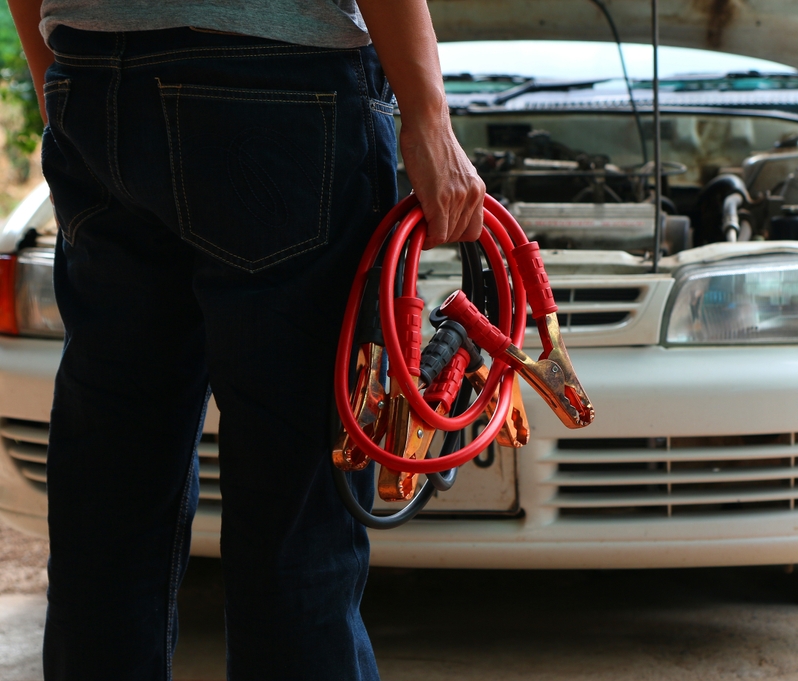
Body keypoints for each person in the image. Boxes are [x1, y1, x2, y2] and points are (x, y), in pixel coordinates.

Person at [9, 1, 485, 678]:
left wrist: (62, 87)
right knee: (296, 511)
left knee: (109, 506)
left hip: (95, 80)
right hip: (284, 90)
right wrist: (429, 118)